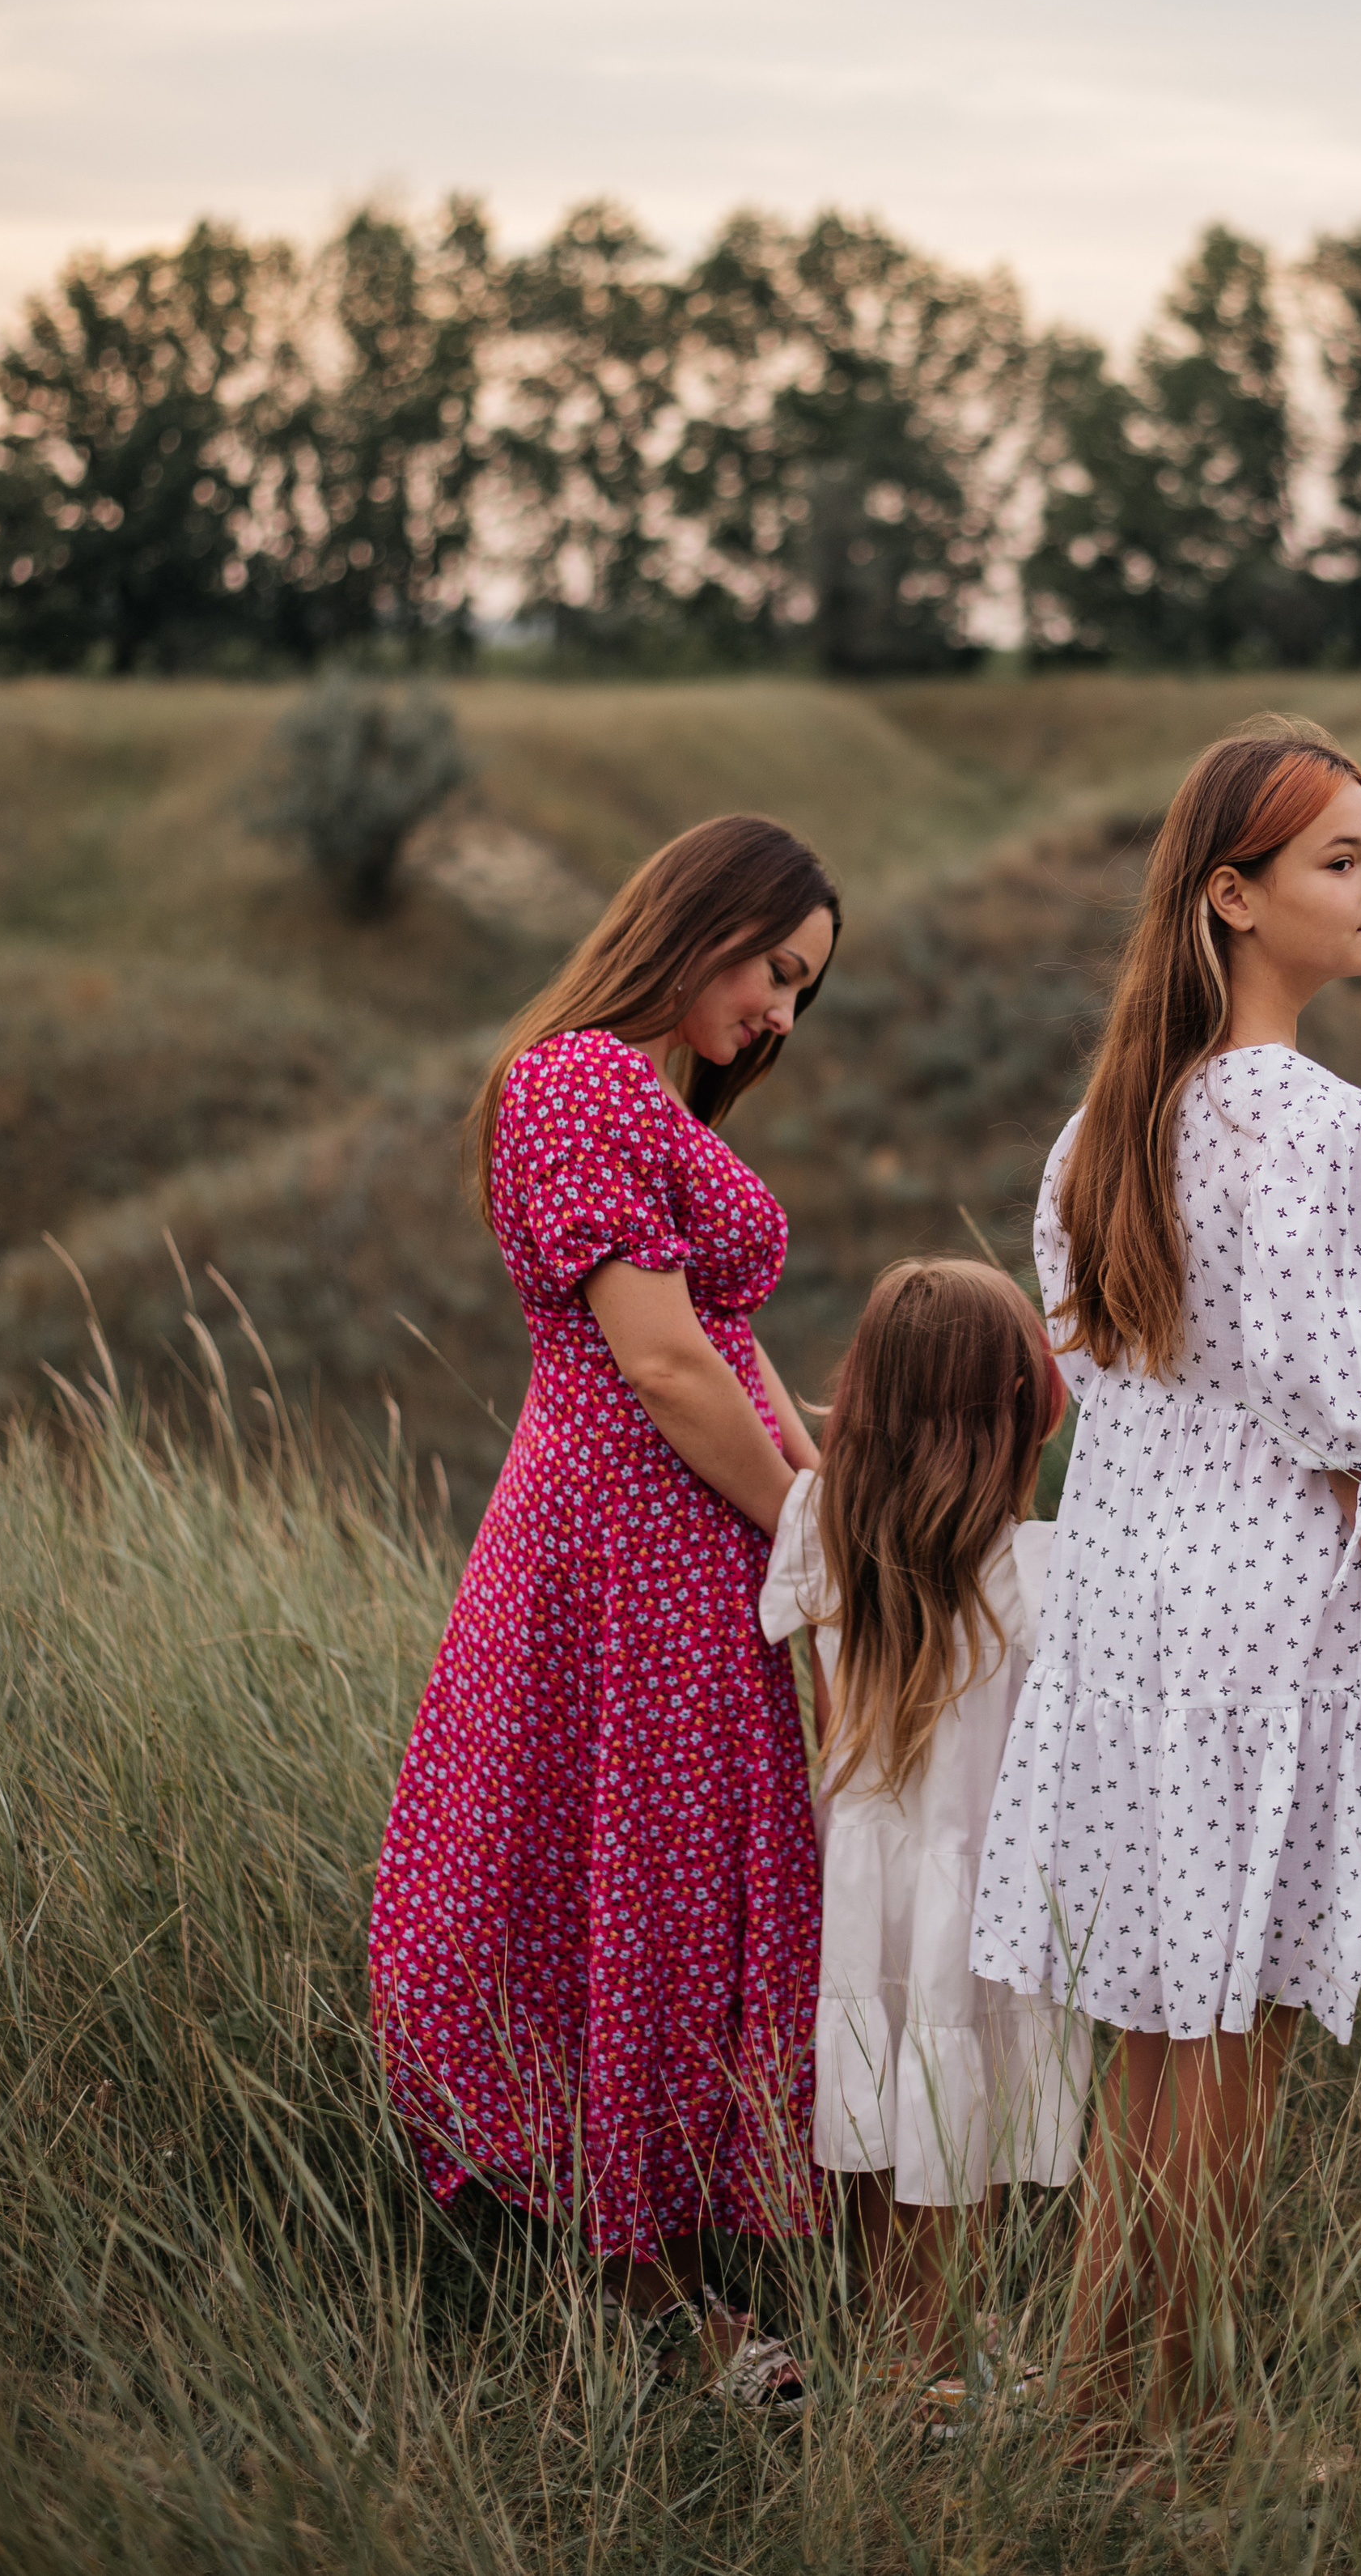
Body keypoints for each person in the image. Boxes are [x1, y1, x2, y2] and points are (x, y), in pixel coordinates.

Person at [970, 718, 1361, 2424]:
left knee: (1157, 2065)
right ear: (1233, 898)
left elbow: (1109, 1395)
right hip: (1272, 1638)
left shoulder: (1097, 1136)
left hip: (1130, 1622)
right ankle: (1177, 2430)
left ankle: (1092, 2413)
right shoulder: (1327, 1129)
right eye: (1341, 860)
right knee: (1226, 2077)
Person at [368, 812, 838, 2383]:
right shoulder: (574, 1076)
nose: (780, 1014)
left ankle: (693, 2263)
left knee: (680, 1894)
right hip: (614, 1551)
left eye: (801, 993)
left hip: (698, 1543)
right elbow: (653, 1360)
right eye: (775, 971)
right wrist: (815, 1541)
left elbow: (723, 1334)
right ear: (701, 922)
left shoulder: (652, 1103)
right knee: (607, 1892)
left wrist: (842, 1466)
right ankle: (648, 2304)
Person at [760, 1258, 1092, 2382]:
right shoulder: (1040, 1566)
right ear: (1020, 1409)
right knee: (965, 2107)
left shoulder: (815, 1520)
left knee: (882, 2102)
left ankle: (912, 2339)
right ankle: (934, 2361)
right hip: (985, 1885)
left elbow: (823, 1703)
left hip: (861, 1871)